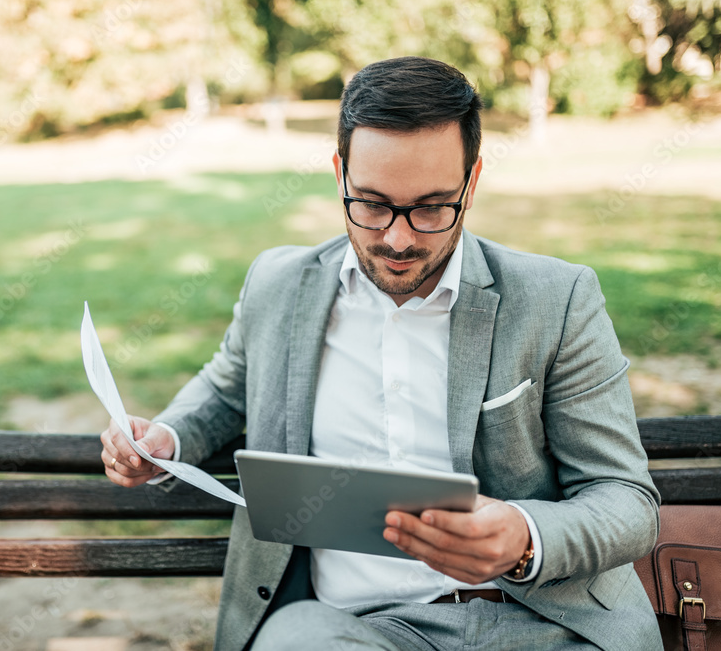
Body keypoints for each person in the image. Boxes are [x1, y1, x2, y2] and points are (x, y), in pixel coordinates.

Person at [100, 56, 662, 651]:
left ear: (471, 183)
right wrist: (167, 437)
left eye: (431, 207)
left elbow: (627, 501)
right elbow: (225, 389)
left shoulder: (556, 299)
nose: (398, 238)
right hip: (356, 631)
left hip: (545, 623)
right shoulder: (277, 286)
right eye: (370, 203)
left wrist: (525, 537)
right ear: (340, 173)